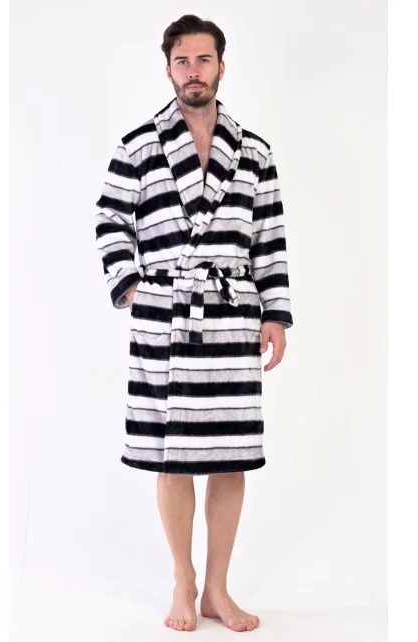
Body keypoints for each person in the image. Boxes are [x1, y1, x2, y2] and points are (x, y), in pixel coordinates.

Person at [94, 14, 294, 633]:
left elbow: (269, 237)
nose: (193, 71)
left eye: (204, 60)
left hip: (232, 318)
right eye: (182, 61)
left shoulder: (254, 151)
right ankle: (183, 582)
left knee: (231, 457)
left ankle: (217, 590)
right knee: (173, 458)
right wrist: (132, 285)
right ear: (169, 70)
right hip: (167, 318)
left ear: (221, 67)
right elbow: (109, 218)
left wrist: (276, 313)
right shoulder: (138, 146)